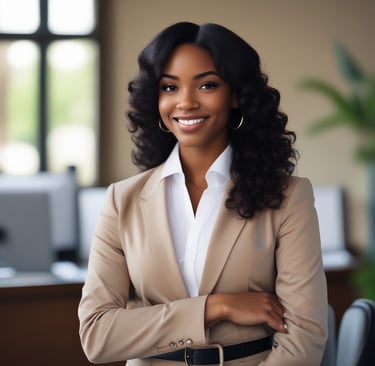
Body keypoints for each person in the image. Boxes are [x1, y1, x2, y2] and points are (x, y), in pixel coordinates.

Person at [78, 22, 328, 365]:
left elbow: (305, 335)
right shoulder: (122, 201)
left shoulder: (289, 198)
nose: (186, 102)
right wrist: (214, 307)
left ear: (235, 94)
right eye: (169, 87)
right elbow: (97, 336)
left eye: (207, 85)